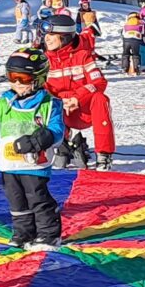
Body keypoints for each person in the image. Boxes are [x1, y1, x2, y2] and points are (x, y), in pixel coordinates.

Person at [0, 48, 63, 249]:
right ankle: (24, 232)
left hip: (33, 164)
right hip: (9, 164)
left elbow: (56, 130)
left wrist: (37, 140)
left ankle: (48, 233)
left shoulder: (49, 104)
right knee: (16, 201)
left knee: (37, 197)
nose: (17, 83)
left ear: (38, 79)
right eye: (12, 77)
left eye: (23, 78)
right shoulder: (3, 104)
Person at [43, 14, 115, 170]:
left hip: (83, 109)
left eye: (51, 35)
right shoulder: (44, 61)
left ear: (64, 37)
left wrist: (77, 98)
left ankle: (104, 155)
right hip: (59, 110)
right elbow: (41, 88)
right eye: (46, 35)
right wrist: (59, 101)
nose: (47, 39)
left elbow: (99, 82)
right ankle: (59, 146)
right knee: (39, 101)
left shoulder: (83, 57)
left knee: (100, 99)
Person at [120, 11, 145, 76]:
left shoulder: (126, 24)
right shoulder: (140, 24)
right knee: (136, 54)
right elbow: (142, 33)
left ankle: (125, 68)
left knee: (125, 54)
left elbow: (122, 33)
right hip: (136, 40)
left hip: (126, 40)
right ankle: (137, 69)